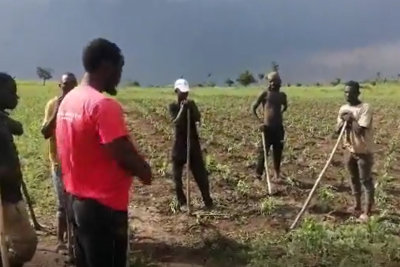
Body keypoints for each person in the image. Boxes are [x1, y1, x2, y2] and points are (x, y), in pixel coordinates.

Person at [56, 38, 152, 267]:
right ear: (107, 67)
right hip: (104, 210)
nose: (120, 75)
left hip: (76, 202)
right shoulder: (102, 105)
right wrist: (145, 171)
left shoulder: (69, 100)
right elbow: (120, 151)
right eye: (120, 68)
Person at [0, 73, 38, 266]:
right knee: (26, 245)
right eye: (12, 92)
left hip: (11, 194)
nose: (16, 97)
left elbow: (20, 128)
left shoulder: (3, 120)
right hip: (5, 196)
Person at [41, 73, 77, 252]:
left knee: (75, 204)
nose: (69, 89)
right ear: (60, 86)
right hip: (59, 162)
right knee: (62, 204)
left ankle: (74, 241)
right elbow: (45, 132)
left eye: (72, 85)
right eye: (65, 85)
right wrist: (58, 110)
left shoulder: (79, 105)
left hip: (77, 163)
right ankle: (60, 240)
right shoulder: (52, 104)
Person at [168, 79, 213, 209]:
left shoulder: (191, 104)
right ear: (176, 91)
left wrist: (191, 108)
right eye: (182, 92)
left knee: (201, 174)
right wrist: (183, 109)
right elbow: (176, 122)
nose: (185, 95)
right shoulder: (173, 106)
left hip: (192, 143)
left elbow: (198, 118)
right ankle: (182, 202)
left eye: (186, 92)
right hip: (179, 144)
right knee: (176, 177)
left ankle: (208, 201)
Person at [336, 81, 375, 221]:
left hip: (364, 151)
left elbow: (360, 131)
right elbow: (337, 130)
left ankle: (367, 212)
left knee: (365, 180)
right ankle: (357, 206)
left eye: (351, 92)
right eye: (345, 92)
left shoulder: (365, 108)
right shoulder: (343, 108)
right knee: (353, 179)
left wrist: (351, 118)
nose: (347, 95)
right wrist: (342, 121)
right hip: (350, 150)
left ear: (357, 93)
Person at [252, 71, 287, 182]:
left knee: (278, 152)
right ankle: (258, 175)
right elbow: (253, 108)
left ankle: (276, 174)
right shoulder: (265, 94)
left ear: (279, 83)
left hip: (279, 128)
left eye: (275, 82)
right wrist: (260, 122)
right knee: (263, 152)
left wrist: (278, 115)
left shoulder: (282, 96)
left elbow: (285, 107)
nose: (273, 84)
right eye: (271, 82)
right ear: (269, 83)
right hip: (267, 128)